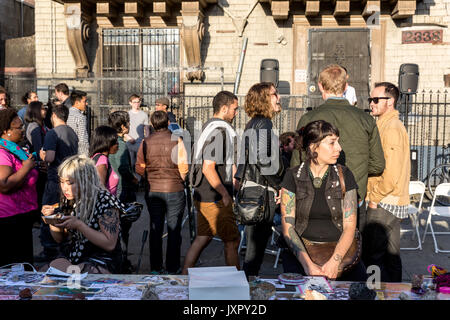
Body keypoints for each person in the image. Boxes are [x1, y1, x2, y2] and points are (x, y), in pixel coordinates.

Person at [291, 64, 385, 233]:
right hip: (353, 196)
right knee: (353, 251)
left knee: (316, 249)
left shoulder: (308, 118)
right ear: (346, 87)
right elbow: (378, 164)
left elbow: (297, 162)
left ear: (320, 86)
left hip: (316, 198)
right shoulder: (366, 119)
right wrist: (360, 169)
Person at [280, 120, 367, 281]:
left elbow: (350, 226)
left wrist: (335, 261)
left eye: (338, 142)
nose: (339, 148)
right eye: (332, 143)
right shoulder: (292, 176)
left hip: (341, 254)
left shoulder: (345, 175)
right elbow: (288, 227)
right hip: (302, 254)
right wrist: (307, 265)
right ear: (314, 146)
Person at [182, 91, 240, 275]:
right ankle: (235, 281)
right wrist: (224, 194)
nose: (236, 113)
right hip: (214, 196)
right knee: (232, 240)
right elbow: (208, 167)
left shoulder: (209, 127)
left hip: (203, 193)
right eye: (234, 109)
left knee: (203, 237)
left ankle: (184, 275)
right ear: (224, 108)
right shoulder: (219, 131)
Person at [41, 155, 125, 274]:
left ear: (85, 180)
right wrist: (52, 221)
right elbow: (59, 239)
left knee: (75, 273)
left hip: (102, 260)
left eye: (70, 183)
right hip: (75, 257)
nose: (65, 188)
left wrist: (80, 225)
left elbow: (110, 244)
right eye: (62, 182)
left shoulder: (104, 200)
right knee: (47, 271)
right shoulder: (70, 199)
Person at [234, 82, 285, 278]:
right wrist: (278, 185)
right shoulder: (264, 123)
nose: (278, 98)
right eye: (274, 94)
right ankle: (249, 290)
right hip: (261, 192)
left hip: (253, 189)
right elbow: (263, 160)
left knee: (253, 248)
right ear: (264, 99)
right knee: (255, 250)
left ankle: (248, 285)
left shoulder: (254, 123)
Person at [364, 82, 410, 282]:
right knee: (391, 255)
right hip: (389, 199)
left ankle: (372, 293)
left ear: (390, 102)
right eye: (370, 100)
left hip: (384, 200)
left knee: (373, 255)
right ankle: (394, 293)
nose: (371, 104)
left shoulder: (391, 128)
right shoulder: (386, 125)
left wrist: (374, 198)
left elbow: (390, 173)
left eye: (375, 100)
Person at [136, 111, 188, 274]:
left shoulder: (145, 142)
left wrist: (148, 176)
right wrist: (180, 179)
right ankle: (173, 267)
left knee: (155, 228)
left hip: (153, 190)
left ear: (152, 124)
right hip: (174, 189)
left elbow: (139, 166)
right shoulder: (177, 140)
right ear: (167, 123)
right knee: (174, 229)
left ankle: (156, 267)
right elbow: (184, 166)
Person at [38, 104, 78, 262]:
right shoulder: (72, 132)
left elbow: (50, 157)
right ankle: (64, 247)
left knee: (49, 213)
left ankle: (50, 249)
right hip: (70, 180)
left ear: (54, 115)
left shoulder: (52, 133)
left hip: (56, 180)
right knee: (65, 213)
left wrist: (42, 154)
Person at [0, 108, 38, 268]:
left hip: (22, 216)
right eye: (18, 128)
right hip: (10, 221)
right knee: (14, 266)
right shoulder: (3, 153)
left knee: (23, 265)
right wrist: (27, 168)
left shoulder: (15, 150)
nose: (23, 131)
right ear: (5, 131)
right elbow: (4, 184)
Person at [108, 111, 139, 272]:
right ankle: (122, 262)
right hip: (122, 191)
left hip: (114, 190)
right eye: (127, 123)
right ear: (122, 126)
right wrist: (135, 180)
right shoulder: (120, 146)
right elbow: (125, 170)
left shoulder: (111, 142)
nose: (129, 125)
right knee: (123, 230)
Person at [25, 101, 48, 209]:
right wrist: (42, 162)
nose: (45, 111)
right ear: (36, 111)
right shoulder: (34, 127)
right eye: (43, 108)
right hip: (39, 166)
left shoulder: (41, 125)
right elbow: (39, 148)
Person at [89, 126, 120, 196]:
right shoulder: (102, 160)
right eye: (115, 142)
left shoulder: (96, 157)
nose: (118, 144)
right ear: (107, 143)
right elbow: (100, 187)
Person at [126, 94, 149, 171]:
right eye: (134, 102)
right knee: (131, 164)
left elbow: (147, 129)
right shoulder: (127, 115)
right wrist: (129, 138)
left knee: (141, 164)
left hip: (140, 143)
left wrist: (145, 140)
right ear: (130, 103)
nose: (137, 104)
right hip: (129, 142)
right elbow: (123, 130)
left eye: (138, 102)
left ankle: (140, 181)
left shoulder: (144, 115)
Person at [67, 90, 89, 156]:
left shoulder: (66, 114)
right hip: (77, 153)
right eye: (84, 101)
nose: (86, 104)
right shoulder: (80, 117)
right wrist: (85, 156)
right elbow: (82, 139)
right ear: (77, 103)